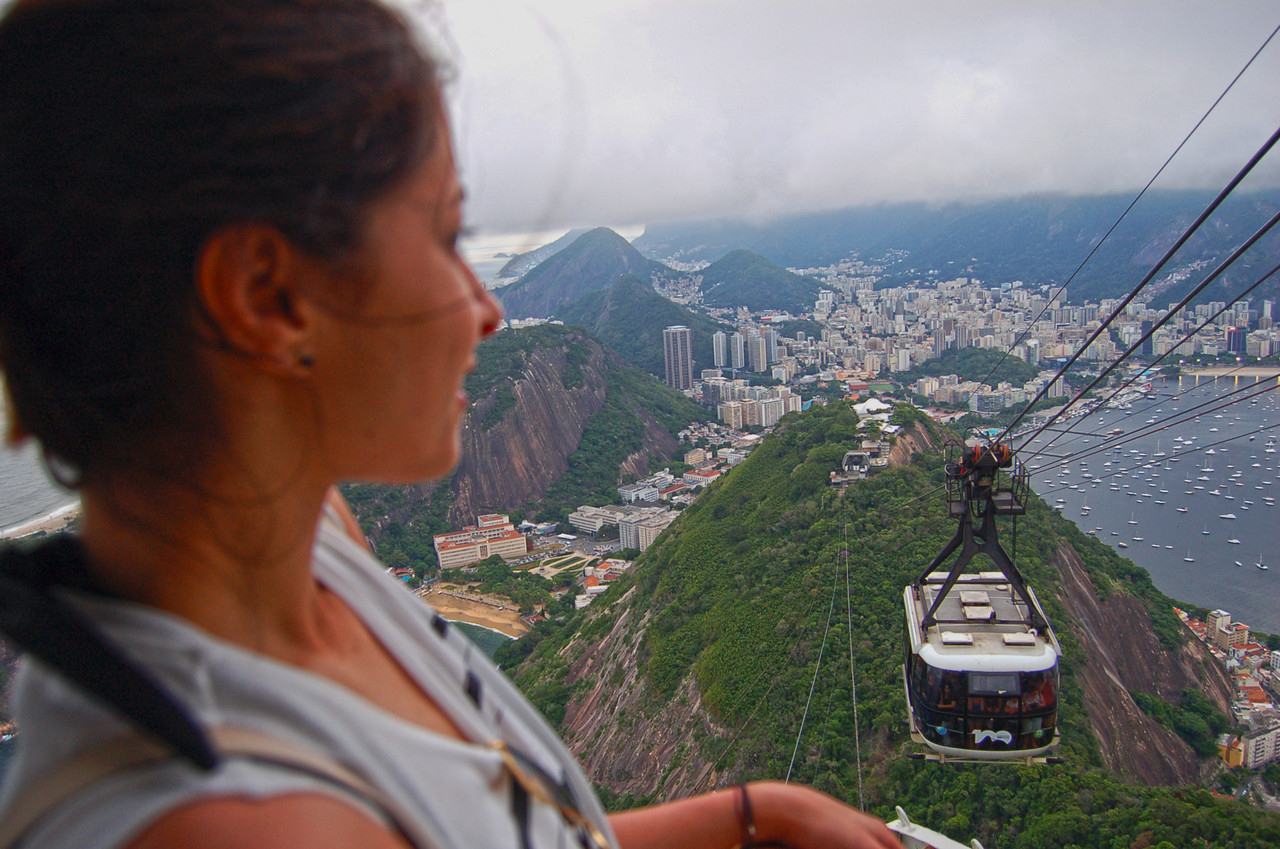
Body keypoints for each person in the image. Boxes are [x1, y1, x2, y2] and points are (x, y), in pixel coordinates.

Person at [0, 1, 900, 848]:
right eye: (445, 238)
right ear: (266, 297)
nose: (488, 308)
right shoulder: (231, 821)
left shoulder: (308, 542)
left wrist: (751, 812)